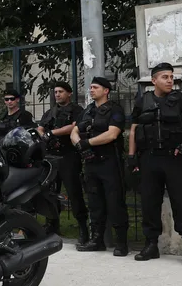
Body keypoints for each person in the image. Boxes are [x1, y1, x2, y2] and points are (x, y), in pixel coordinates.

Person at [128, 63, 182, 266]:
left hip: (175, 158)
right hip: (149, 159)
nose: (170, 80)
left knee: (181, 202)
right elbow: (134, 130)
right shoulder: (142, 101)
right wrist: (132, 156)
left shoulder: (181, 101)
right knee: (149, 203)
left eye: (171, 77)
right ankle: (151, 244)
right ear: (154, 81)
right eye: (165, 77)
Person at [71, 77, 129, 256]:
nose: (91, 90)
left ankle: (121, 243)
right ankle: (97, 240)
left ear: (106, 91)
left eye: (95, 87)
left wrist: (87, 143)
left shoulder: (115, 109)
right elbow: (74, 131)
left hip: (109, 162)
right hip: (90, 162)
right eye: (90, 87)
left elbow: (112, 134)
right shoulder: (87, 111)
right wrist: (81, 147)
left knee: (115, 202)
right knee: (95, 203)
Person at [38, 81, 88, 241]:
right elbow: (40, 127)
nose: (57, 94)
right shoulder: (51, 112)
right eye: (56, 92)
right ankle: (52, 225)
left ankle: (83, 228)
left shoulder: (77, 110)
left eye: (60, 91)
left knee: (74, 193)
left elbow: (73, 127)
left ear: (69, 93)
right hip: (51, 157)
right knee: (50, 193)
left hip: (68, 156)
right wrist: (42, 134)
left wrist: (51, 133)